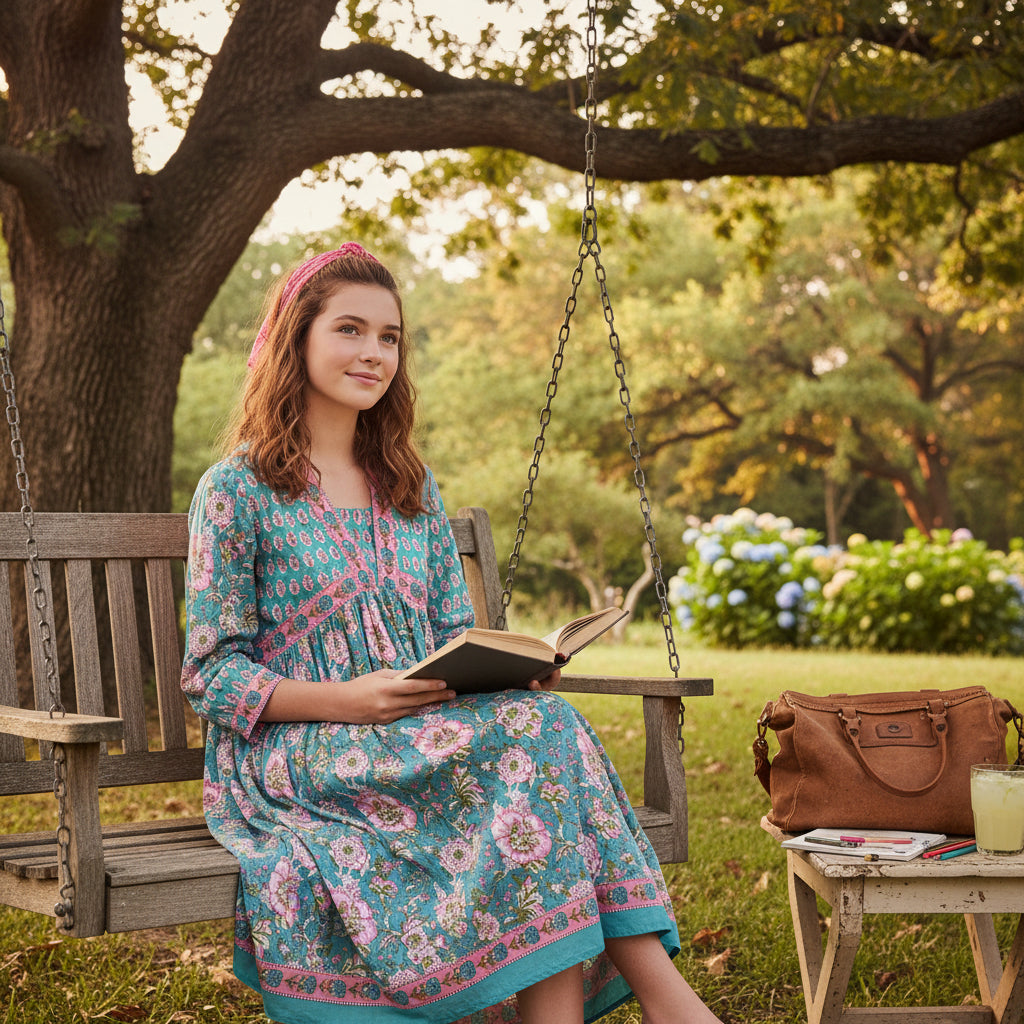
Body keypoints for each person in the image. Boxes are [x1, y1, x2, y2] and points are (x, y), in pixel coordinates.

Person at [181, 243, 724, 1024]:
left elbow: (446, 633)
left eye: (390, 338)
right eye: (351, 330)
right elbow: (212, 675)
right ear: (295, 337)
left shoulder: (408, 482)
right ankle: (672, 1007)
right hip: (299, 752)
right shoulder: (237, 489)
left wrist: (507, 669)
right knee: (545, 742)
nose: (374, 353)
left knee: (543, 723)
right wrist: (349, 701)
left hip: (419, 733)